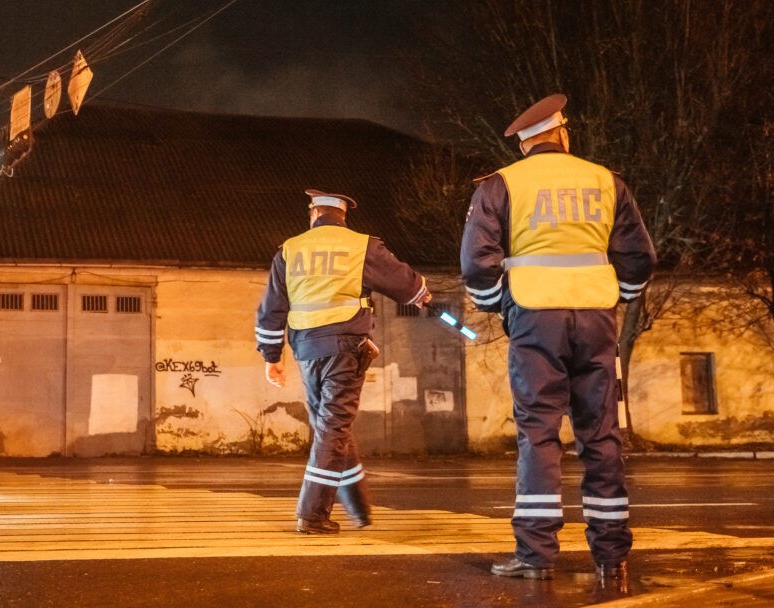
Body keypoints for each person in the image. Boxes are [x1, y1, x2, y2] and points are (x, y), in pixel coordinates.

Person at [460, 94, 657, 581]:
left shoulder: (501, 184)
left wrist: (498, 303)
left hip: (534, 319)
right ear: (563, 134)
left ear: (525, 144)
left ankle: (536, 554)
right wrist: (619, 295)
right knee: (601, 432)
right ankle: (612, 555)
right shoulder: (606, 180)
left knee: (538, 432)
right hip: (596, 318)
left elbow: (476, 262)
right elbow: (639, 258)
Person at [255, 188, 430, 534]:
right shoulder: (361, 246)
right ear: (342, 216)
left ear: (313, 214)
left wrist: (271, 357)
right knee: (333, 429)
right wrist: (422, 294)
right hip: (346, 349)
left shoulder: (289, 250)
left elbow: (271, 309)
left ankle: (359, 509)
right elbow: (405, 284)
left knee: (331, 428)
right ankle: (312, 514)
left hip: (307, 350)